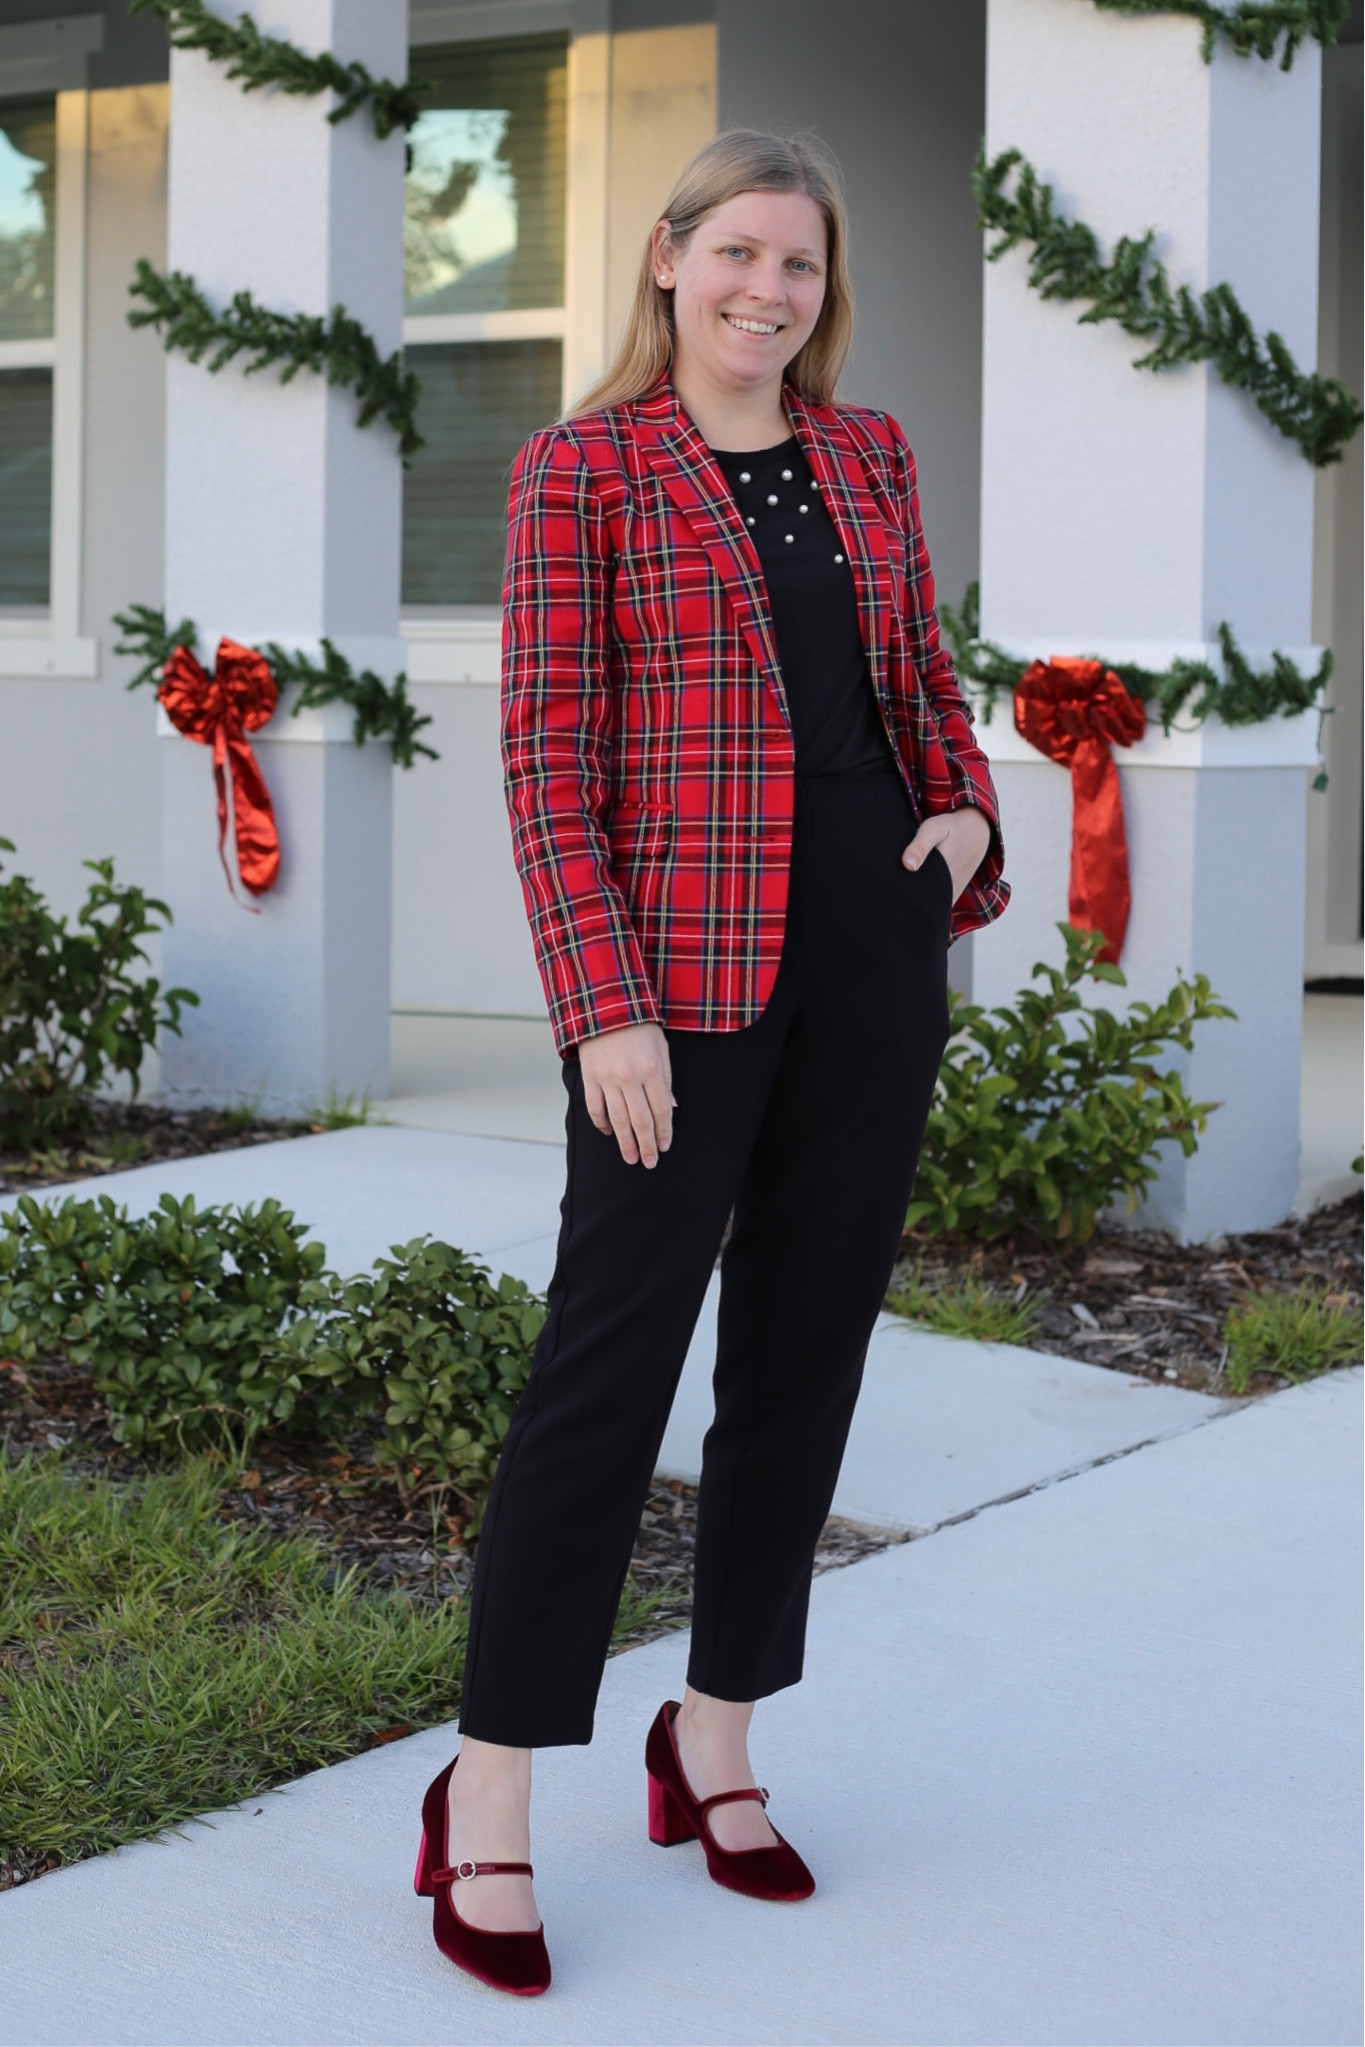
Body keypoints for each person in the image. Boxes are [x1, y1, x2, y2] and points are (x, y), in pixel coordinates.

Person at [412, 128, 1008, 1997]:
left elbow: (915, 678)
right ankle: (487, 1789)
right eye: (738, 255)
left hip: (868, 948)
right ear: (668, 261)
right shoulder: (578, 470)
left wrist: (967, 820)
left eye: (801, 268)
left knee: (804, 1356)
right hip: (672, 982)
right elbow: (545, 760)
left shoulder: (868, 455)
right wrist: (601, 1006)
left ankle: (718, 1737)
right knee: (607, 1368)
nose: (768, 293)